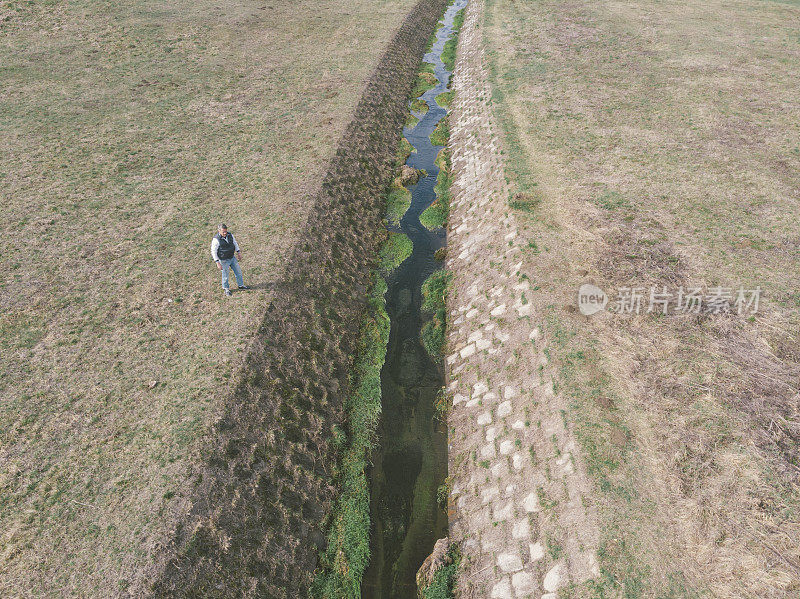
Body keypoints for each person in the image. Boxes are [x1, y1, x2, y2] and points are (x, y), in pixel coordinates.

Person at [210, 223, 250, 296]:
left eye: (226, 231)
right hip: (224, 260)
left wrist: (238, 252)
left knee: (238, 272)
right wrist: (217, 262)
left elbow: (235, 243)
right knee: (225, 275)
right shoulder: (216, 240)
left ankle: (241, 285)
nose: (225, 233)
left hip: (232, 257)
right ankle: (226, 289)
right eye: (223, 232)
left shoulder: (230, 235)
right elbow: (213, 251)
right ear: (219, 231)